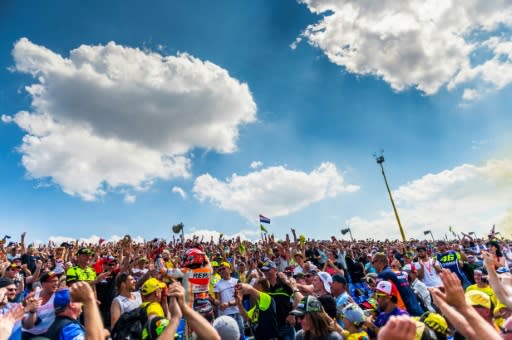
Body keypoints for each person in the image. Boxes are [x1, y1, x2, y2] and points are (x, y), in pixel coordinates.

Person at [262, 260, 295, 340]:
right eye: (264, 270)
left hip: (285, 326)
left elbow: (296, 299)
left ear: (275, 270)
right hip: (272, 328)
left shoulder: (285, 284)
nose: (266, 272)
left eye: (268, 270)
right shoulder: (265, 288)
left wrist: (292, 315)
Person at [21, 271, 60, 339]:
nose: (56, 283)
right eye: (52, 281)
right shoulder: (32, 296)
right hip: (27, 334)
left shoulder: (59, 296)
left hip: (47, 334)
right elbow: (26, 324)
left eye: (57, 281)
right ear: (43, 284)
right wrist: (32, 311)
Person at [213, 262, 244, 339]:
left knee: (241, 336)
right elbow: (218, 300)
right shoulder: (217, 284)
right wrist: (214, 301)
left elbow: (240, 298)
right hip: (226, 315)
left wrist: (228, 304)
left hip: (238, 312)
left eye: (223, 268)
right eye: (220, 270)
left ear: (230, 270)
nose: (221, 271)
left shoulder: (237, 281)